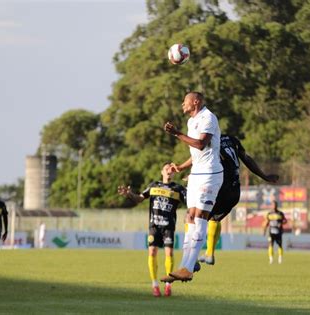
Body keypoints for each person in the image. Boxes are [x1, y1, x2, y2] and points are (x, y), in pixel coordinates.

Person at [161, 91, 223, 282]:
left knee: (199, 216)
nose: (182, 104)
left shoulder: (208, 117)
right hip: (196, 174)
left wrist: (177, 134)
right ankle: (184, 267)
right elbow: (197, 154)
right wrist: (181, 166)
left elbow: (201, 144)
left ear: (195, 102)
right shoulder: (190, 122)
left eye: (185, 101)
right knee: (189, 217)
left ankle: (188, 267)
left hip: (210, 174)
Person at [198, 134, 279, 265]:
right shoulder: (232, 139)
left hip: (222, 189)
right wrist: (264, 176)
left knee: (195, 218)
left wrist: (190, 173)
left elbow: (198, 160)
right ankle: (209, 253)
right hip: (235, 192)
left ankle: (191, 258)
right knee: (214, 218)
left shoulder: (210, 142)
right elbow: (247, 159)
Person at [118, 163, 186, 297]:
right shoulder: (154, 186)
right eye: (166, 168)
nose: (169, 171)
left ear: (174, 173)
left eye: (172, 170)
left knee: (169, 254)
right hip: (154, 226)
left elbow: (191, 201)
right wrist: (129, 194)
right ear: (162, 171)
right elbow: (139, 199)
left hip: (168, 226)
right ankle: (155, 285)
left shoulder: (178, 189)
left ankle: (168, 284)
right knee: (152, 252)